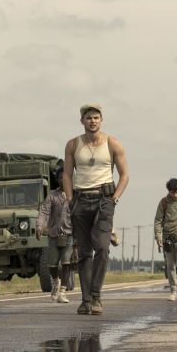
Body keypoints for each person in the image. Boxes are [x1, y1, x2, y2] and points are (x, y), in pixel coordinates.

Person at [63, 103, 129, 316]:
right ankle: (86, 300)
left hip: (104, 200)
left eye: (96, 117)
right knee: (83, 252)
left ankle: (96, 296)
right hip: (80, 200)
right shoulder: (73, 144)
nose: (92, 121)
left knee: (102, 247)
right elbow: (67, 174)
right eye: (88, 118)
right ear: (82, 121)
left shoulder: (112, 143)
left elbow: (124, 174)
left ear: (101, 120)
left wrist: (114, 198)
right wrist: (69, 199)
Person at [36, 174, 74, 303]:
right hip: (53, 235)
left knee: (66, 263)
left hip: (69, 234)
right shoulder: (52, 195)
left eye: (65, 177)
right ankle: (56, 281)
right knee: (52, 265)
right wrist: (39, 226)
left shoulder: (74, 195)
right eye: (60, 178)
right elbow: (44, 212)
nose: (63, 180)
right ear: (58, 180)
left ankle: (62, 292)